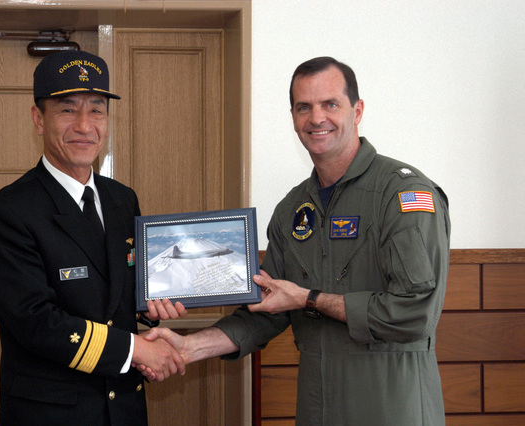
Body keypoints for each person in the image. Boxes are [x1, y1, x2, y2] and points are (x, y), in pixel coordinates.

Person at [140, 56, 451, 425]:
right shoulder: (292, 209)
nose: (316, 118)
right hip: (317, 406)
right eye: (304, 107)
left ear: (358, 110)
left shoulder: (402, 194)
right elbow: (268, 312)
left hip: (392, 405)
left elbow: (415, 315)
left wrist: (309, 299)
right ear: (293, 117)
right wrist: (189, 347)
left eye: (329, 104)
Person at [0, 50, 186, 426]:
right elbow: (35, 322)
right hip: (51, 414)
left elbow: (117, 292)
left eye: (97, 110)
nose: (85, 126)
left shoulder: (123, 199)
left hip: (123, 408)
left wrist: (150, 305)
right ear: (38, 119)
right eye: (68, 110)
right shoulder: (6, 213)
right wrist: (133, 349)